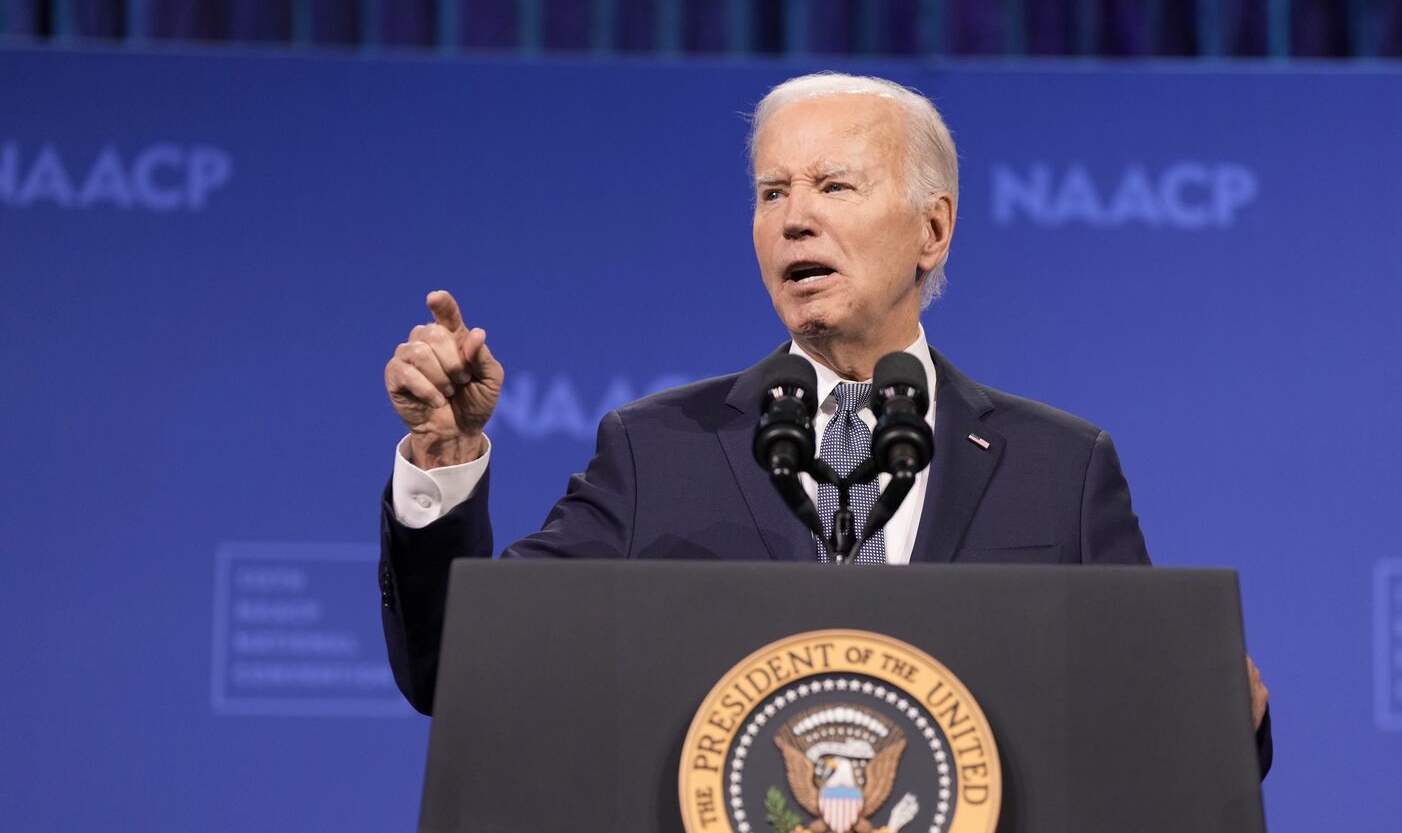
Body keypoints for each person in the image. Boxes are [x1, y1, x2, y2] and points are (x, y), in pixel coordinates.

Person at [379, 72, 1272, 774]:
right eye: (773, 193)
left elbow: (1164, 733)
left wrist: (1222, 717)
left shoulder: (1059, 468)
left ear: (933, 229)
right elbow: (460, 670)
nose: (795, 216)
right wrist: (445, 457)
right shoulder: (657, 451)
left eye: (833, 185)